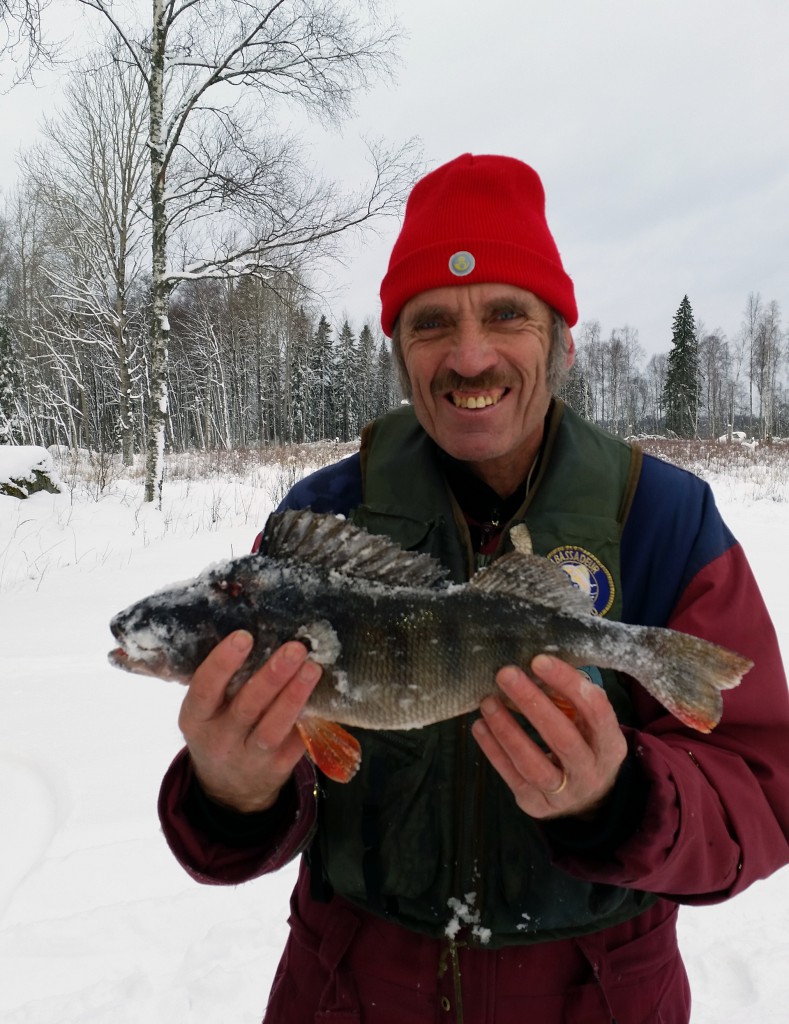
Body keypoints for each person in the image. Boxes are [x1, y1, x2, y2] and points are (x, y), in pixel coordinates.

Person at [158, 154, 789, 1023]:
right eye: (430, 323)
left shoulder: (666, 517)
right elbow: (283, 796)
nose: (469, 354)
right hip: (346, 994)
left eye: (505, 313)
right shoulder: (320, 519)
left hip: (596, 999)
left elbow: (762, 788)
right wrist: (231, 790)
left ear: (562, 340)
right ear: (399, 352)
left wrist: (623, 801)